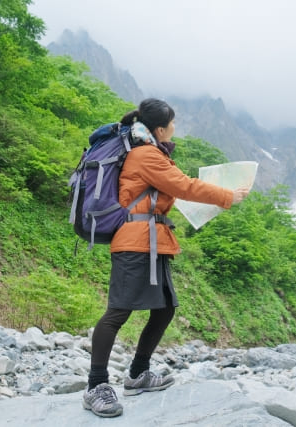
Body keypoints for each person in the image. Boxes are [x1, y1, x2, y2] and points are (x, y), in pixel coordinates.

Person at [81, 98, 250, 418]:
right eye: (172, 124)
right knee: (117, 313)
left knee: (165, 309)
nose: (175, 128)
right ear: (160, 128)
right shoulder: (146, 154)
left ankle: (138, 373)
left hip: (153, 241)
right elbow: (183, 186)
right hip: (134, 242)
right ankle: (96, 385)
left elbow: (176, 186)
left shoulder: (149, 150)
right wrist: (229, 196)